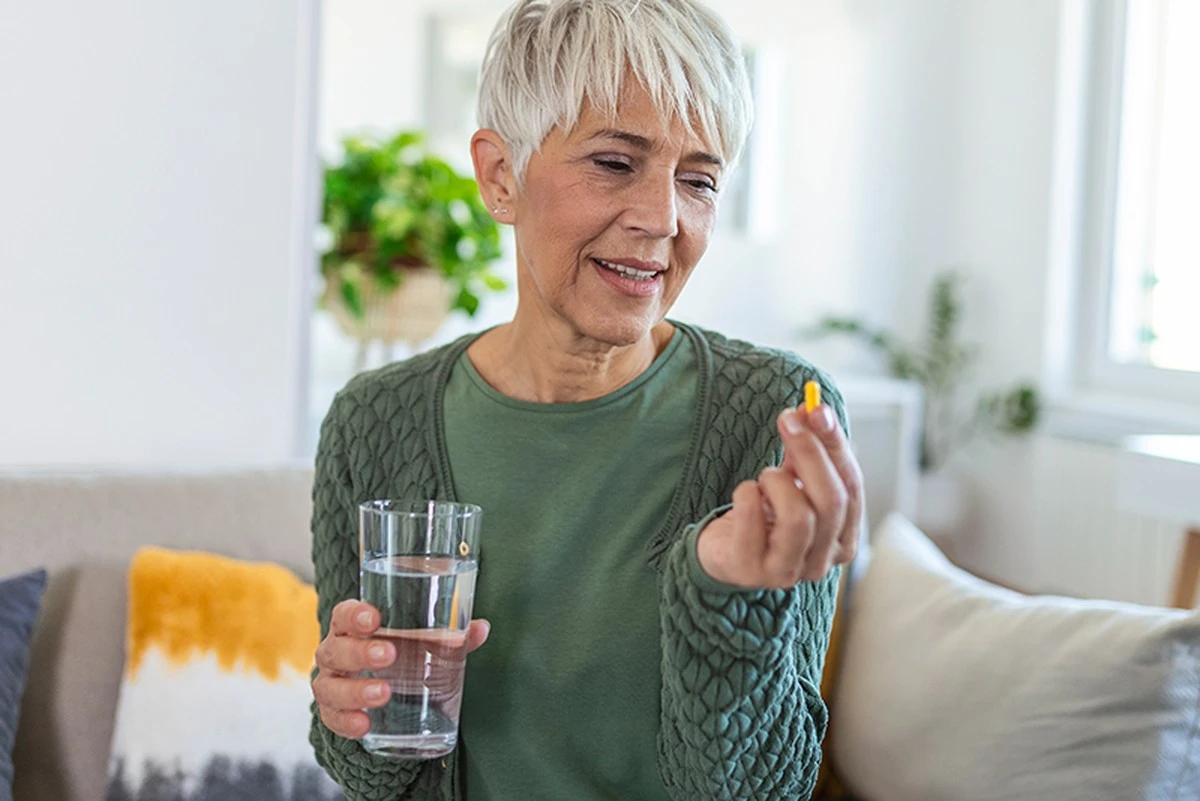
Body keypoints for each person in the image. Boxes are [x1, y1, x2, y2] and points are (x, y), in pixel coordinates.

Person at [308, 0, 863, 799]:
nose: (663, 219)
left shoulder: (775, 414)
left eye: (699, 179)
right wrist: (349, 708)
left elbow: (759, 791)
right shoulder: (374, 421)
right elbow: (374, 769)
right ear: (501, 175)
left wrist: (723, 596)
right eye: (613, 162)